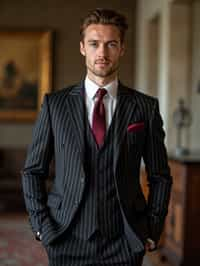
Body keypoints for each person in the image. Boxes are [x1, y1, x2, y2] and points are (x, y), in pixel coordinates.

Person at [21, 8, 172, 266]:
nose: (102, 53)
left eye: (111, 44)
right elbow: (33, 171)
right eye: (94, 44)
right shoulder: (54, 105)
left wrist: (152, 228)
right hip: (65, 236)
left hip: (124, 239)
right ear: (82, 48)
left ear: (122, 48)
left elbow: (160, 175)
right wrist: (41, 227)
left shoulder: (145, 107)